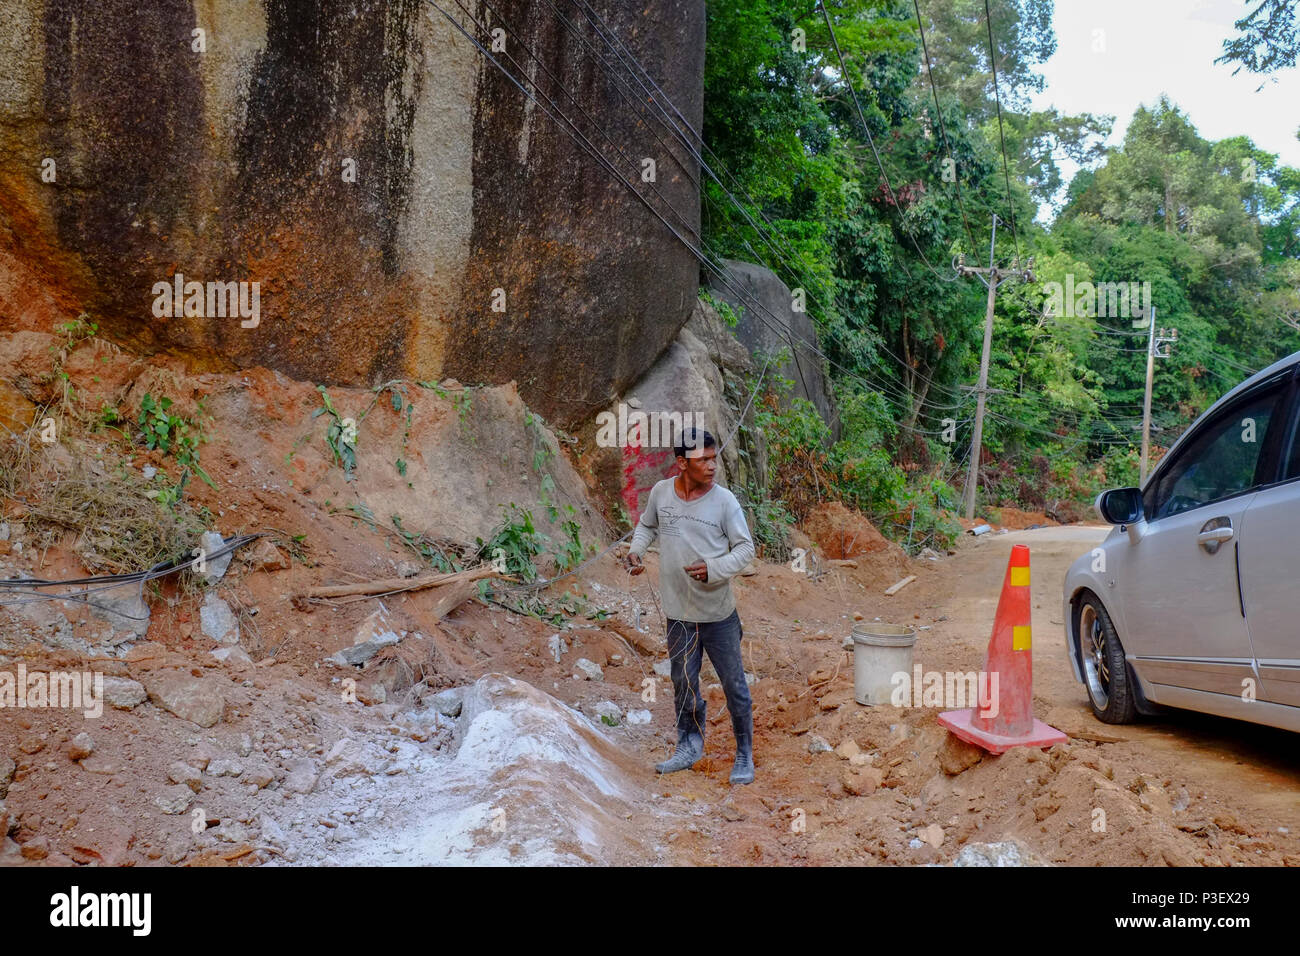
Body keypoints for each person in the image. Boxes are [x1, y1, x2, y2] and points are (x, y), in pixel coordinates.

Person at [623, 427, 757, 785]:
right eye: (703, 460)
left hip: (717, 614)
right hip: (678, 614)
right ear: (681, 463)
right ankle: (689, 743)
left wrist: (714, 568)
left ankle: (744, 752)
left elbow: (746, 549)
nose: (712, 466)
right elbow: (646, 526)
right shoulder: (661, 493)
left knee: (734, 684)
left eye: (714, 458)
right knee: (683, 681)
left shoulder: (725, 502)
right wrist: (636, 551)